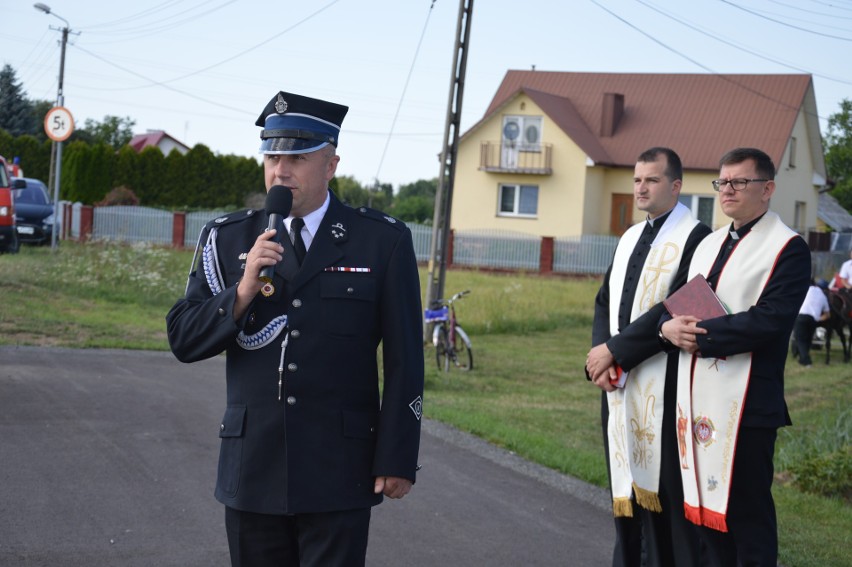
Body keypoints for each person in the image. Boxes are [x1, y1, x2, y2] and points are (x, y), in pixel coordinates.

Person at [166, 90, 424, 566]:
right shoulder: (227, 238)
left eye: (297, 157)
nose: (280, 171)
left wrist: (397, 457)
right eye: (272, 155)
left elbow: (407, 359)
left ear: (330, 164)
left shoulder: (381, 241)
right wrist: (240, 294)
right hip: (253, 468)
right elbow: (183, 338)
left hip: (339, 470)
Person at [660, 147, 810, 566]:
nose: (727, 190)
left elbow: (771, 321)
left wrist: (699, 336)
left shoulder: (788, 248)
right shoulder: (708, 244)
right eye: (722, 182)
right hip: (698, 399)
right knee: (707, 517)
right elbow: (680, 302)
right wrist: (668, 328)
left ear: (768, 189)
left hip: (748, 407)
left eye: (739, 182)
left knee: (746, 517)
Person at [586, 147, 710, 567]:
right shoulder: (628, 237)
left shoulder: (697, 238)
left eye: (652, 180)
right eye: (637, 179)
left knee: (664, 499)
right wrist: (601, 354)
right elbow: (604, 301)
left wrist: (615, 351)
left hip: (665, 384)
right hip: (620, 384)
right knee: (623, 495)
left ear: (675, 186)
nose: (641, 187)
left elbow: (679, 306)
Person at [791, 278, 830, 367]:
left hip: (801, 316)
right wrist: (818, 318)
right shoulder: (823, 296)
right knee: (808, 340)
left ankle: (807, 362)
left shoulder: (805, 290)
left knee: (800, 339)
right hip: (813, 319)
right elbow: (827, 315)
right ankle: (802, 359)